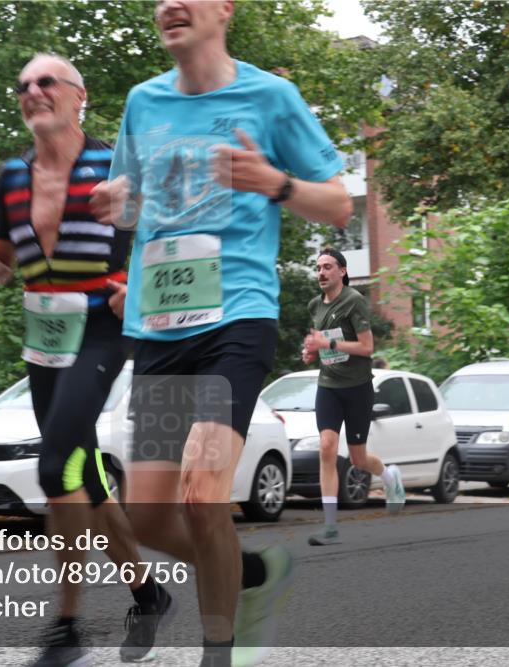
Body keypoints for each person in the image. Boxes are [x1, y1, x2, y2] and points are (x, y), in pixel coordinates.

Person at [90, 2, 353, 665]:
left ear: (223, 9)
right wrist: (116, 204)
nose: (169, 4)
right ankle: (252, 572)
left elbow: (339, 200)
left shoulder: (270, 96)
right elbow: (134, 199)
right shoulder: (142, 102)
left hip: (235, 317)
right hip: (158, 327)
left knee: (203, 493)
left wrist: (275, 181)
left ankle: (219, 650)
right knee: (147, 515)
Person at [0, 53, 172, 667]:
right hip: (44, 334)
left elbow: (168, 238)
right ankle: (147, 592)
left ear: (79, 96)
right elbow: (2, 263)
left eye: (46, 81)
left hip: (104, 325)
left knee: (56, 468)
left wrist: (144, 287)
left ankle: (68, 627)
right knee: (86, 478)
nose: (32, 91)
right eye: (23, 84)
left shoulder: (117, 166)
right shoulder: (12, 177)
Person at [301, 248, 405, 546]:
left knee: (358, 459)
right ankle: (330, 526)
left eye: (328, 267)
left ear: (342, 272)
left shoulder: (354, 301)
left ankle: (389, 477)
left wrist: (328, 342)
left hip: (358, 388)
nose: (321, 273)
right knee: (326, 448)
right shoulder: (314, 306)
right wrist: (310, 351)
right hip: (328, 386)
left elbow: (367, 347)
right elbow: (317, 345)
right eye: (318, 267)